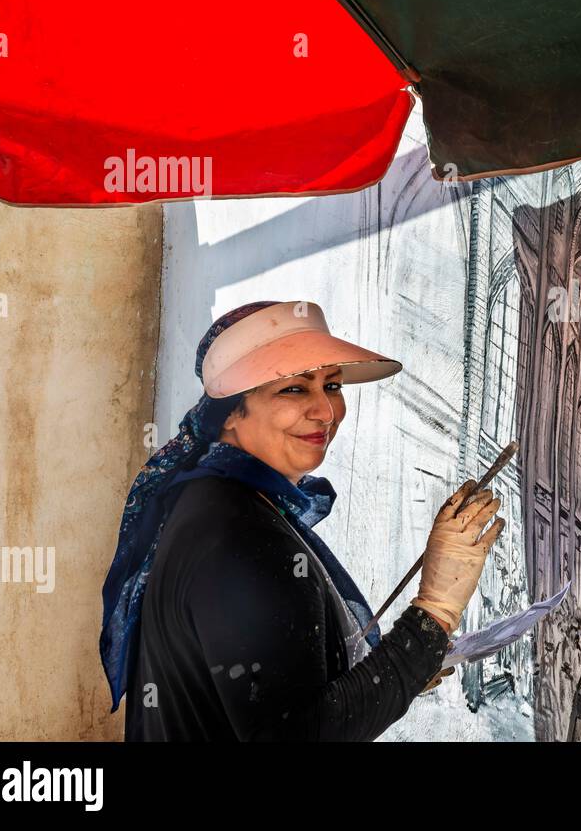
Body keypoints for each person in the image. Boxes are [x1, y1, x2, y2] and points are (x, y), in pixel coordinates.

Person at [101, 301, 505, 741]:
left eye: (332, 386)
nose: (325, 412)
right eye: (294, 389)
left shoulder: (222, 501)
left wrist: (401, 668)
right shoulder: (239, 535)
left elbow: (282, 697)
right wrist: (435, 611)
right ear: (232, 413)